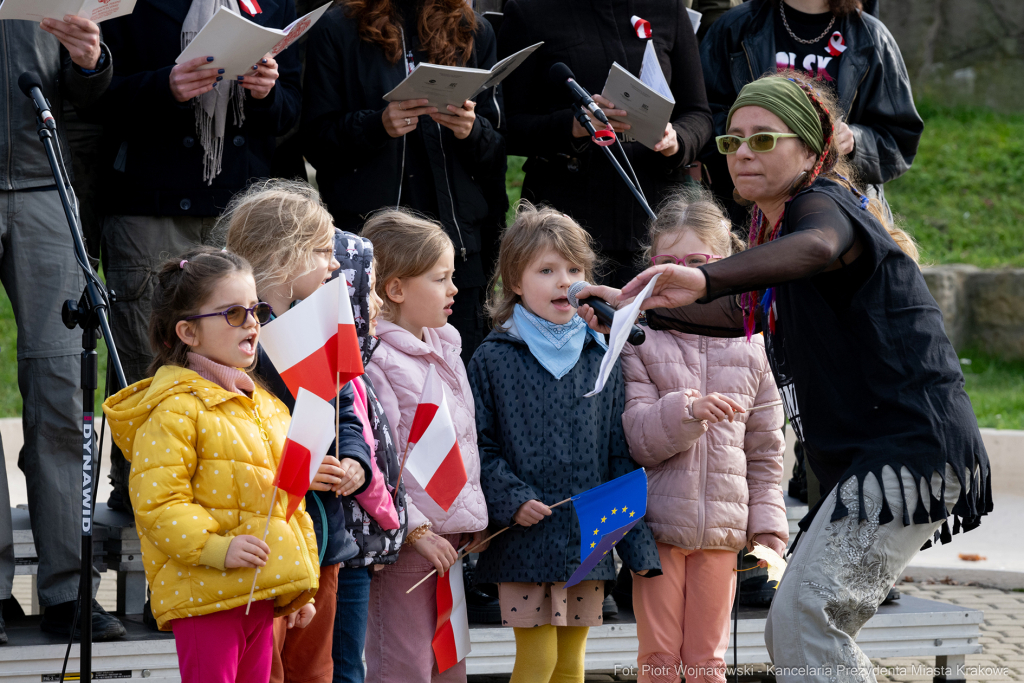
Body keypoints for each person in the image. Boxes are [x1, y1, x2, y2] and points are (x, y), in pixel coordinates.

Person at [580, 72, 991, 683]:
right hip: (882, 457)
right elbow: (734, 317)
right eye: (733, 141)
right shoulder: (777, 233)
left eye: (764, 140)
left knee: (805, 619)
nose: (743, 152)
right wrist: (634, 304)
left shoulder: (820, 205)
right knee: (793, 624)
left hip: (906, 451)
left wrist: (709, 276)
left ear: (810, 151)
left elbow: (819, 247)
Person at [85, 0, 303, 512]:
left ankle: (238, 493)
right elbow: (92, 99)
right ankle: (145, 496)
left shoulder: (271, 3)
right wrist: (166, 87)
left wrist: (268, 94)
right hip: (150, 206)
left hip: (238, 210)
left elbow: (294, 111)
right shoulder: (127, 3)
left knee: (248, 357)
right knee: (148, 354)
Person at [102, 247, 320, 682]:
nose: (253, 322)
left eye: (255, 309)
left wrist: (299, 581)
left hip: (259, 593)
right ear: (187, 331)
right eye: (233, 313)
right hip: (207, 596)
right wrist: (218, 550)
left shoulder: (269, 406)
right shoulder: (172, 410)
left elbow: (287, 503)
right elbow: (159, 504)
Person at [466, 204, 661, 683]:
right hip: (522, 537)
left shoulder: (603, 355)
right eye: (547, 270)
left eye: (574, 270)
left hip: (587, 539)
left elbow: (619, 455)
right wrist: (513, 500)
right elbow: (479, 445)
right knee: (538, 661)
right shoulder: (493, 357)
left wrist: (637, 550)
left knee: (572, 664)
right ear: (515, 281)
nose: (563, 282)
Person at [220, 180, 390, 683]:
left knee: (314, 671)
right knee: (265, 670)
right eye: (322, 251)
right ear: (285, 254)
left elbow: (345, 412)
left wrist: (355, 462)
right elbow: (231, 434)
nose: (335, 264)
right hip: (262, 539)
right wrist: (293, 468)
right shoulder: (232, 339)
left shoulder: (317, 326)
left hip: (323, 538)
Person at [619, 187, 787, 683]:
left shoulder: (752, 346)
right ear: (652, 265)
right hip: (657, 531)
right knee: (659, 662)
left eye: (696, 261)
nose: (679, 271)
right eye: (667, 261)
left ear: (724, 265)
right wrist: (687, 411)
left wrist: (769, 523)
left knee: (709, 663)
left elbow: (765, 450)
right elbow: (637, 437)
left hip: (723, 533)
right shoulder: (640, 338)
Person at [0, 14, 125, 640]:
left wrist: (88, 61)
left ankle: (67, 591)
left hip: (45, 183)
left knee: (58, 385)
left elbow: (92, 94)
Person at [302, 0, 508, 363]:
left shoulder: (472, 29)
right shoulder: (339, 27)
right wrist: (376, 126)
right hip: (373, 252)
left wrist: (471, 130)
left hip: (456, 250)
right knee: (371, 380)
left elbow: (498, 153)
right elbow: (316, 142)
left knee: (457, 378)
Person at [497, 0, 713, 287]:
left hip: (654, 215)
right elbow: (506, 124)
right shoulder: (530, 11)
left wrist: (677, 140)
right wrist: (573, 126)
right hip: (567, 222)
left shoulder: (666, 8)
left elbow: (698, 113)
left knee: (655, 328)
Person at [360, 209, 489, 682]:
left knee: (449, 661)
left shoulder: (447, 348)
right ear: (395, 289)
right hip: (407, 546)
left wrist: (469, 514)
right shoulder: (378, 362)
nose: (454, 289)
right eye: (440, 278)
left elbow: (462, 441)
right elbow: (382, 459)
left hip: (447, 539)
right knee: (405, 665)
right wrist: (414, 530)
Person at [700, 0, 922, 223]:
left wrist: (854, 142)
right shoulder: (736, 26)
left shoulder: (872, 36)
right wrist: (754, 139)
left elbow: (900, 141)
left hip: (841, 208)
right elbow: (703, 117)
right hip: (747, 212)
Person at [329, 229, 408, 683]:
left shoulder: (358, 368)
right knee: (342, 668)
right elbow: (370, 474)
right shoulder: (343, 372)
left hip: (355, 548)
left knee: (345, 666)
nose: (376, 302)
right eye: (369, 289)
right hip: (346, 544)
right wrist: (392, 525)